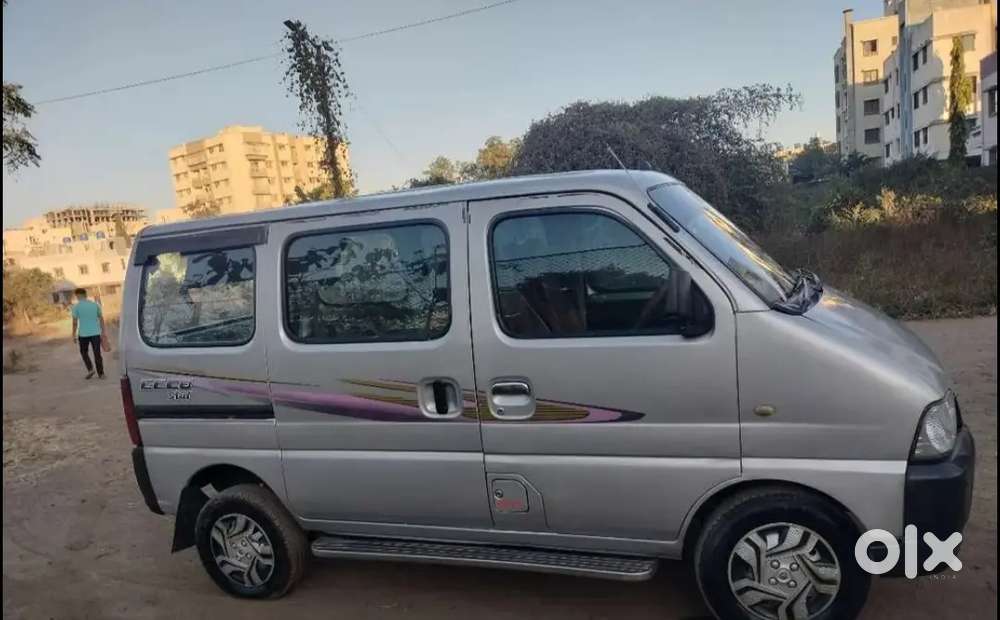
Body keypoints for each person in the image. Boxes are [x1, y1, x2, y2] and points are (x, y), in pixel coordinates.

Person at [70, 288, 106, 379]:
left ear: (77, 296)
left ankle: (90, 369)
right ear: (85, 295)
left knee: (83, 352)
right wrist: (103, 331)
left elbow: (75, 322)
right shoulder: (95, 305)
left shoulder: (76, 307)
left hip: (83, 334)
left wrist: (73, 334)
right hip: (95, 333)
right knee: (97, 353)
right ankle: (101, 374)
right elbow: (101, 318)